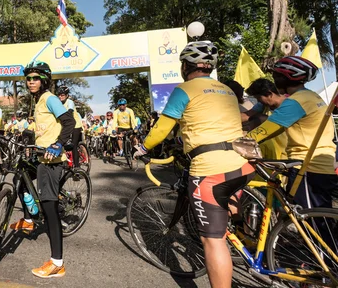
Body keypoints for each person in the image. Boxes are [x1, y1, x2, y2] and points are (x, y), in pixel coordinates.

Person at [134, 41, 254, 288]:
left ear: (185, 66)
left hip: (210, 170)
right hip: (241, 164)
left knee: (213, 240)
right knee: (229, 207)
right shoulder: (226, 90)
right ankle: (247, 240)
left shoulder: (184, 89)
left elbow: (162, 129)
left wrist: (144, 148)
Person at [9, 61, 75, 278]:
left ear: (44, 80)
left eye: (35, 78)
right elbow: (41, 127)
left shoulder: (50, 98)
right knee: (21, 179)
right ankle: (28, 220)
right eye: (28, 79)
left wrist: (58, 144)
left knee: (49, 210)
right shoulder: (37, 102)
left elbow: (69, 121)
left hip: (52, 160)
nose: (31, 82)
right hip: (40, 156)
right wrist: (24, 134)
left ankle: (57, 263)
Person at [246, 57, 338, 208]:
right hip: (323, 164)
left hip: (307, 167)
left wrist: (232, 143)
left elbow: (263, 132)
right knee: (315, 218)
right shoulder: (312, 96)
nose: (274, 80)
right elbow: (277, 130)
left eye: (276, 76)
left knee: (312, 224)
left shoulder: (296, 101)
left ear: (286, 78)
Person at [56, 86, 83, 168]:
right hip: (65, 125)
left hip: (75, 125)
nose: (60, 96)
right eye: (59, 95)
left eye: (62, 95)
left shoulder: (70, 102)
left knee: (73, 145)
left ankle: (77, 168)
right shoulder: (58, 103)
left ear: (67, 95)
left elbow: (70, 112)